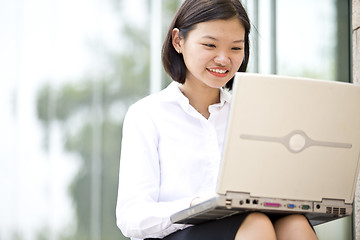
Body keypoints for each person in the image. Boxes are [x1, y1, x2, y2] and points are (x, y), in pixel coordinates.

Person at [116, 0, 318, 239]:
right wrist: (195, 204)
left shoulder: (250, 114)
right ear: (178, 41)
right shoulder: (147, 115)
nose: (223, 59)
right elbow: (131, 217)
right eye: (210, 45)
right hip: (177, 234)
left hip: (248, 224)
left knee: (295, 223)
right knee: (255, 225)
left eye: (235, 48)